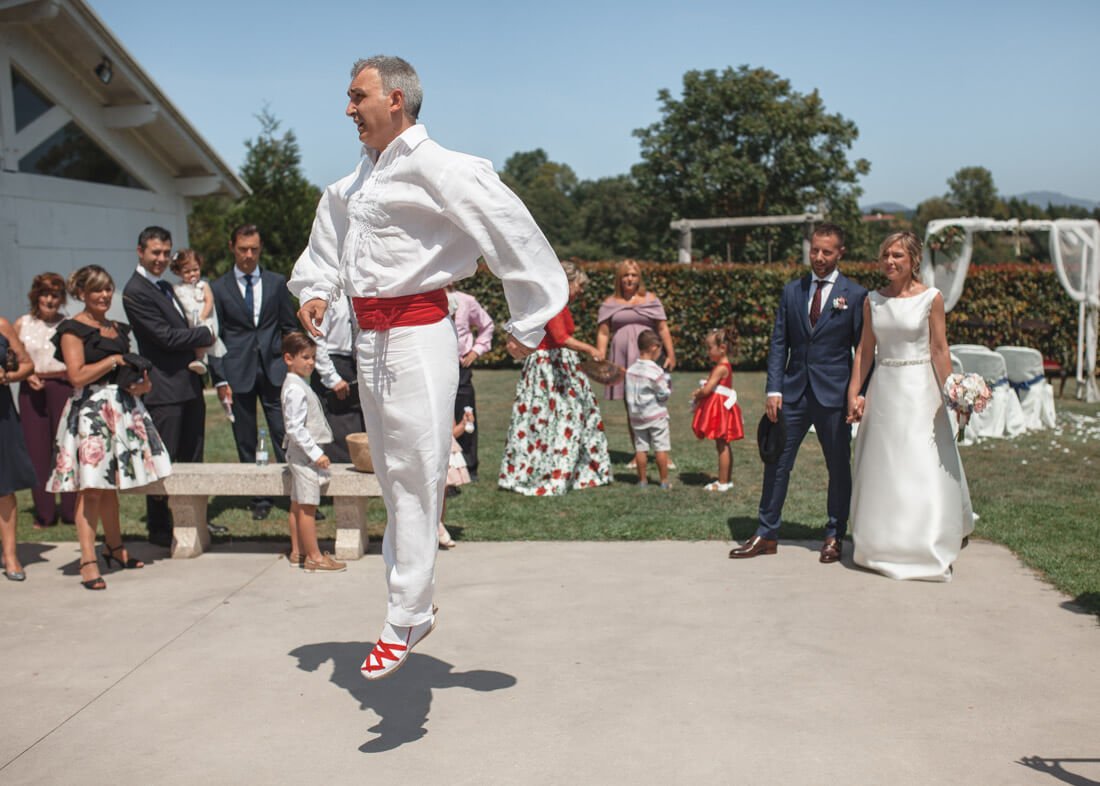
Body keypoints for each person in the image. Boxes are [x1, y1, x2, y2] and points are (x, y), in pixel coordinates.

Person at [289, 55, 568, 680]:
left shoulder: (440, 167)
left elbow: (512, 231)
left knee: (418, 472)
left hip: (419, 337)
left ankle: (407, 611)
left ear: (394, 99)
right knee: (392, 476)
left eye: (355, 95)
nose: (347, 108)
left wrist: (529, 320)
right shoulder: (354, 183)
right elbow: (326, 247)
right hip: (370, 342)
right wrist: (315, 290)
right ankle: (410, 605)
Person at [732, 223, 868, 563]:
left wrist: (857, 394)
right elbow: (780, 342)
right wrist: (774, 388)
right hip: (792, 393)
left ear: (840, 254)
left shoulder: (855, 296)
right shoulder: (792, 291)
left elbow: (863, 353)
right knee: (776, 461)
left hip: (834, 395)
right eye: (815, 250)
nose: (819, 257)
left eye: (827, 252)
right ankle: (766, 533)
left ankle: (835, 534)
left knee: (837, 466)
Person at [847, 232, 974, 581]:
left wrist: (954, 392)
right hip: (883, 389)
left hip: (920, 390)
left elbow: (939, 350)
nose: (890, 261)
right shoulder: (873, 300)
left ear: (913, 260)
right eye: (885, 254)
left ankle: (925, 540)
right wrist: (854, 394)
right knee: (883, 464)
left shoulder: (931, 298)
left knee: (921, 464)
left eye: (897, 255)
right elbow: (865, 351)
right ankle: (880, 540)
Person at [47, 266, 171, 590]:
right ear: (83, 294)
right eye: (96, 290)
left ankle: (114, 548)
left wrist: (140, 386)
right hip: (90, 412)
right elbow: (76, 375)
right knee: (90, 488)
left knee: (111, 486)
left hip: (121, 409)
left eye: (107, 289)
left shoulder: (118, 329)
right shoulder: (72, 329)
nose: (103, 296)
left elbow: (128, 372)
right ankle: (88, 560)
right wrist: (114, 361)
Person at [122, 226, 216, 547]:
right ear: (140, 252)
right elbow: (164, 337)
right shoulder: (135, 291)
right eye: (155, 253)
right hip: (163, 389)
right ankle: (161, 529)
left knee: (193, 457)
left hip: (189, 384)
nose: (161, 258)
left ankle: (193, 523)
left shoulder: (165, 286)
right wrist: (206, 335)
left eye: (166, 253)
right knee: (164, 460)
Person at [499, 260, 611, 496]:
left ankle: (546, 468)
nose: (580, 291)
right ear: (567, 282)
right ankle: (555, 470)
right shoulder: (555, 303)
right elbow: (561, 337)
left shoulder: (554, 302)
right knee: (563, 417)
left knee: (549, 418)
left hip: (551, 364)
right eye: (579, 285)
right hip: (550, 367)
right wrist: (591, 349)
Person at [211, 224, 299, 521]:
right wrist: (220, 377)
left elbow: (289, 326)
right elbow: (215, 336)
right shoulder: (218, 288)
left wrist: (293, 364)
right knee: (246, 437)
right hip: (238, 371)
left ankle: (294, 493)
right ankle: (259, 495)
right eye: (243, 249)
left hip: (275, 369)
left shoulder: (276, 283)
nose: (249, 255)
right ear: (231, 247)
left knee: (284, 433)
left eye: (254, 249)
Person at [595, 259, 676, 467]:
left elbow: (663, 328)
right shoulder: (610, 302)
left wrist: (671, 353)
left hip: (649, 356)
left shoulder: (651, 299)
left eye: (633, 275)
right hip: (621, 357)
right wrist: (601, 356)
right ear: (619, 279)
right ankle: (638, 452)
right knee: (632, 405)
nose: (629, 279)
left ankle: (663, 455)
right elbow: (603, 332)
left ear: (639, 278)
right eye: (625, 275)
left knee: (657, 404)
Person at [15, 272, 76, 529]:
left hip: (63, 386)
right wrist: (27, 374)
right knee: (36, 451)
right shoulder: (21, 324)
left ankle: (72, 511)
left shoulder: (69, 324)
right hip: (33, 389)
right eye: (45, 294)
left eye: (55, 295)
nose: (50, 300)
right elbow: (13, 358)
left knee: (66, 447)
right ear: (36, 296)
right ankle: (45, 513)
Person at [280, 332, 345, 573]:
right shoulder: (295, 389)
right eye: (305, 357)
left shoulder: (297, 384)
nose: (310, 362)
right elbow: (295, 427)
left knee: (297, 504)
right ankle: (314, 556)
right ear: (289, 358)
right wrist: (316, 453)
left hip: (300, 455)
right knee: (308, 507)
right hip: (305, 456)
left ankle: (298, 552)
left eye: (313, 358)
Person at [1, 315, 37, 581]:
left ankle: (10, 555)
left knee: (4, 486)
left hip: (1, 414)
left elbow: (27, 365)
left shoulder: (2, 325)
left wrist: (6, 375)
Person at [306, 293, 363, 463]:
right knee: (338, 429)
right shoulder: (327, 296)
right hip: (332, 364)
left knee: (356, 426)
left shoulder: (353, 295)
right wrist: (332, 378)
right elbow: (316, 338)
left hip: (352, 362)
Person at [448, 286, 494, 481]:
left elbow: (487, 325)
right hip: (436, 363)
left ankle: (469, 465)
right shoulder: (426, 295)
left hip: (461, 366)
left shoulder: (467, 300)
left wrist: (476, 350)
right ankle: (447, 463)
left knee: (466, 413)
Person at [692, 327, 745, 492]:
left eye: (709, 348)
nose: (708, 352)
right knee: (724, 444)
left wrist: (698, 393)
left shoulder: (721, 367)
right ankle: (726, 480)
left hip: (719, 410)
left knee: (722, 445)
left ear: (722, 348)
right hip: (722, 407)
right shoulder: (724, 365)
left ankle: (722, 482)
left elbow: (708, 389)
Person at [624, 329, 671, 488]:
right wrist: (666, 392)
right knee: (660, 448)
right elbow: (663, 394)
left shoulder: (630, 370)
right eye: (659, 349)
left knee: (641, 449)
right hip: (655, 416)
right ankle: (664, 481)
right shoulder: (655, 371)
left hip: (636, 417)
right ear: (653, 347)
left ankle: (642, 480)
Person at [170, 248, 226, 375]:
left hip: (203, 319)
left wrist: (203, 316)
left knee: (201, 337)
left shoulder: (203, 285)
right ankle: (198, 359)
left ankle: (200, 359)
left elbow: (209, 301)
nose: (192, 274)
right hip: (189, 322)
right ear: (178, 272)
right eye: (187, 272)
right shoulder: (177, 289)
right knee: (192, 339)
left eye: (195, 270)